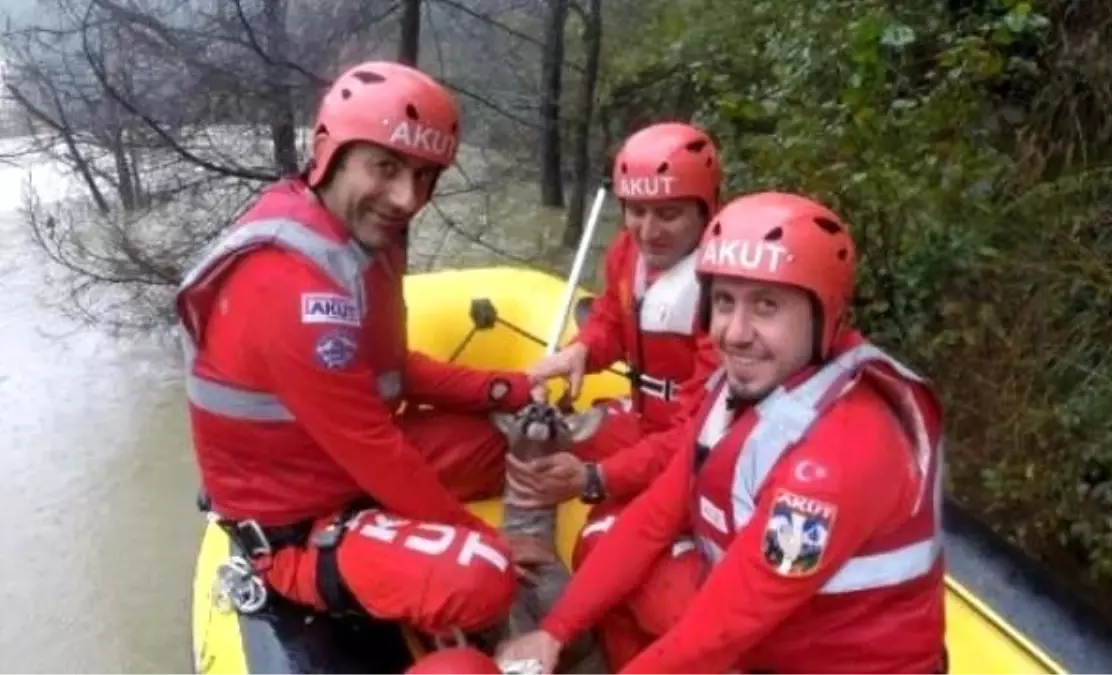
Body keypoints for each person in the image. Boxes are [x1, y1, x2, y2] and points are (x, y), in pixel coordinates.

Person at [497, 192, 948, 674]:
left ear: (824, 312)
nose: (734, 332)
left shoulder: (840, 456)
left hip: (830, 659)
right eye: (724, 302)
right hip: (780, 627)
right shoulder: (739, 389)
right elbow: (654, 517)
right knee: (605, 542)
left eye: (767, 306)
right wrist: (554, 630)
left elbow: (728, 623)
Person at [176, 61, 552, 638]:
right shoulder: (290, 285)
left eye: (425, 176)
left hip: (336, 471)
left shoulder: (358, 243)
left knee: (504, 438)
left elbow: (392, 372)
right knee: (484, 577)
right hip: (296, 526)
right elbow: (374, 448)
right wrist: (485, 539)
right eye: (386, 167)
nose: (407, 198)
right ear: (330, 153)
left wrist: (511, 387)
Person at [513, 121, 723, 666]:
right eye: (636, 211)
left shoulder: (725, 297)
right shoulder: (627, 254)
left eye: (669, 213)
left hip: (695, 452)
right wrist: (583, 350)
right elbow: (611, 317)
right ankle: (527, 542)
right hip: (647, 421)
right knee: (538, 438)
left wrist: (595, 480)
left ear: (706, 211)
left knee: (601, 539)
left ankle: (612, 643)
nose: (648, 230)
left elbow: (691, 440)